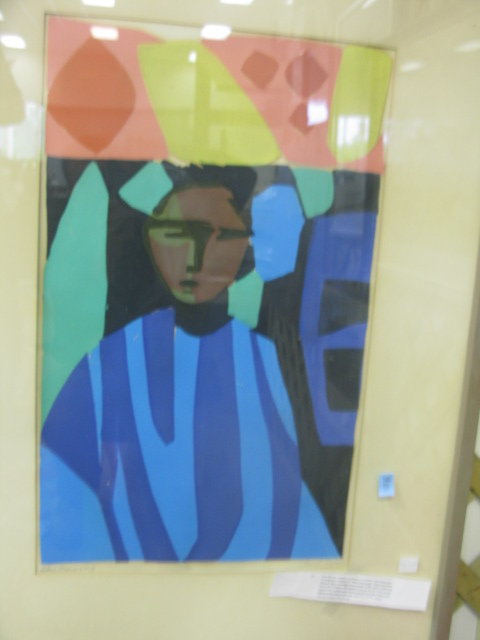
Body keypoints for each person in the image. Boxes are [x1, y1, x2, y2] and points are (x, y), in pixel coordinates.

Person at [40, 161, 371, 563]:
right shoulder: (106, 364)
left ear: (245, 248)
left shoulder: (269, 359)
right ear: (150, 240)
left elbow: (291, 502)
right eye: (177, 234)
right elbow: (57, 495)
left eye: (222, 237)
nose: (196, 257)